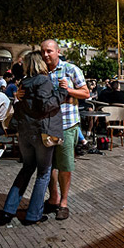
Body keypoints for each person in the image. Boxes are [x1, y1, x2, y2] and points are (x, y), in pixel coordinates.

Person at [0, 51, 63, 226]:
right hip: (41, 132)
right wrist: (62, 92)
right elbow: (45, 105)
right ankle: (33, 214)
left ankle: (8, 210)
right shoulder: (43, 81)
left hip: (25, 133)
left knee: (27, 168)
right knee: (43, 173)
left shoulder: (24, 82)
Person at [41, 39, 90, 221]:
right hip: (47, 125)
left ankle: (64, 202)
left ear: (58, 51)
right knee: (49, 165)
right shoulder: (42, 71)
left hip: (67, 125)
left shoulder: (70, 69)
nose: (46, 55)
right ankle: (53, 198)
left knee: (65, 165)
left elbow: (85, 93)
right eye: (43, 51)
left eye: (49, 51)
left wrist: (68, 90)